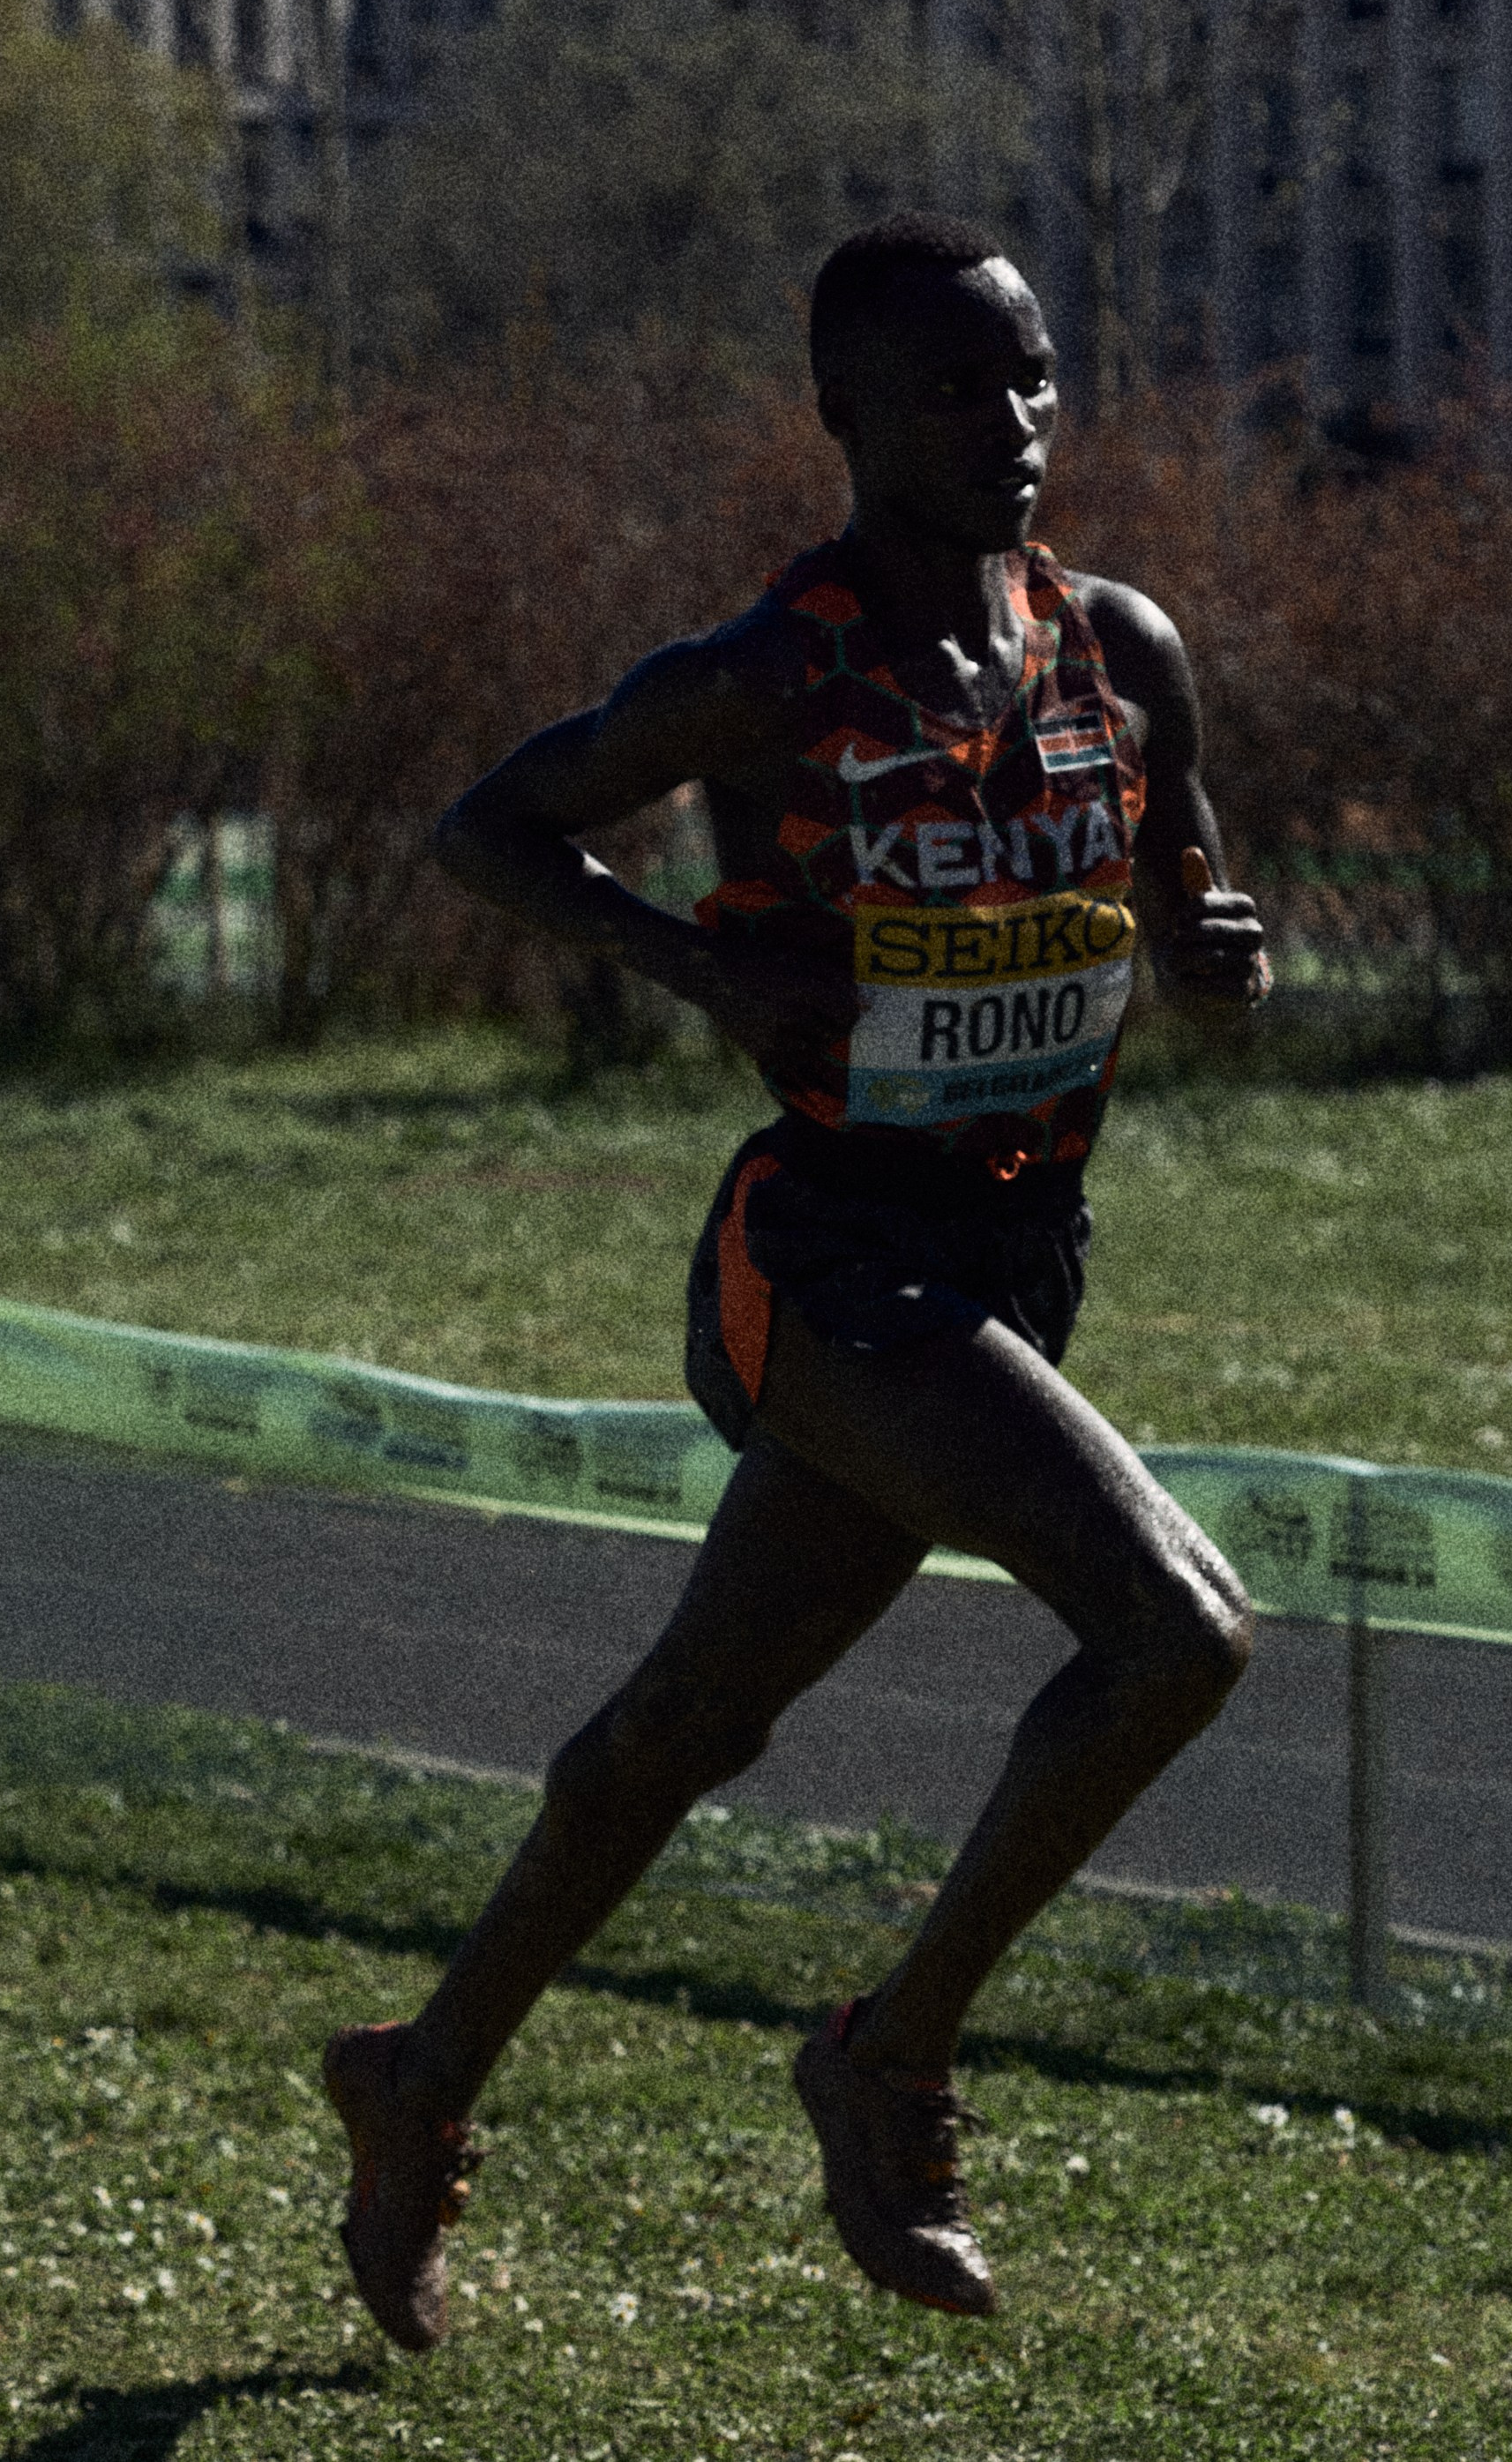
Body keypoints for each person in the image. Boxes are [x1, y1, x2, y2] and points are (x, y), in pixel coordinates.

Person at [323, 213, 1270, 2353]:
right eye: (955, 386)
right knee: (1175, 1635)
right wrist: (696, 965)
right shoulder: (772, 672)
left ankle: (418, 2077)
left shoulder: (1122, 648)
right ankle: (889, 2055)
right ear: (843, 413)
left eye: (1031, 377)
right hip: (828, 1263)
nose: (1012, 422)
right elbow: (491, 828)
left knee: (683, 1725)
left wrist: (1214, 956)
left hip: (1020, 1259)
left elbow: (1188, 890)